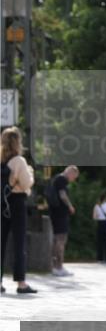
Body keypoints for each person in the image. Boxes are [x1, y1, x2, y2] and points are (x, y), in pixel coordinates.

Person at [1, 126, 37, 294]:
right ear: (17, 142)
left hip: (2, 202)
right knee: (19, 242)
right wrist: (30, 172)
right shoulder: (19, 161)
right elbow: (27, 183)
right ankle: (21, 283)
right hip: (16, 202)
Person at [46, 165, 80, 277]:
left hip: (56, 213)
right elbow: (63, 195)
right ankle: (58, 267)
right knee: (61, 239)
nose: (73, 180)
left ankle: (56, 266)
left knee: (58, 239)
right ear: (71, 173)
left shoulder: (57, 178)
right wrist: (70, 206)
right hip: (60, 214)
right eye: (74, 177)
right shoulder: (62, 180)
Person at [92, 193, 106, 264]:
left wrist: (99, 216)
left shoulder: (96, 206)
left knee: (100, 242)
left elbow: (94, 217)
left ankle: (100, 259)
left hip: (100, 223)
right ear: (105, 199)